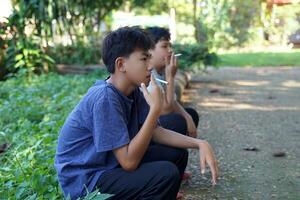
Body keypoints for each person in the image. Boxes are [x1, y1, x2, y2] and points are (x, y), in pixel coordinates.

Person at [54, 26, 218, 200]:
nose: (150, 66)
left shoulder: (132, 90)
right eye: (144, 59)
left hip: (109, 165)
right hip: (87, 181)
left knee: (177, 154)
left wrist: (199, 143)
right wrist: (155, 109)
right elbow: (129, 163)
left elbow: (157, 132)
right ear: (121, 64)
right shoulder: (105, 97)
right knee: (165, 173)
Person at [145, 27, 199, 139]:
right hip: (147, 127)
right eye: (164, 46)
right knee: (177, 121)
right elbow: (166, 109)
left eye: (170, 46)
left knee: (191, 114)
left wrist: (188, 117)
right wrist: (170, 76)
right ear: (149, 50)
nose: (170, 50)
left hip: (158, 120)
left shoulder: (161, 70)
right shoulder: (148, 72)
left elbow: (172, 101)